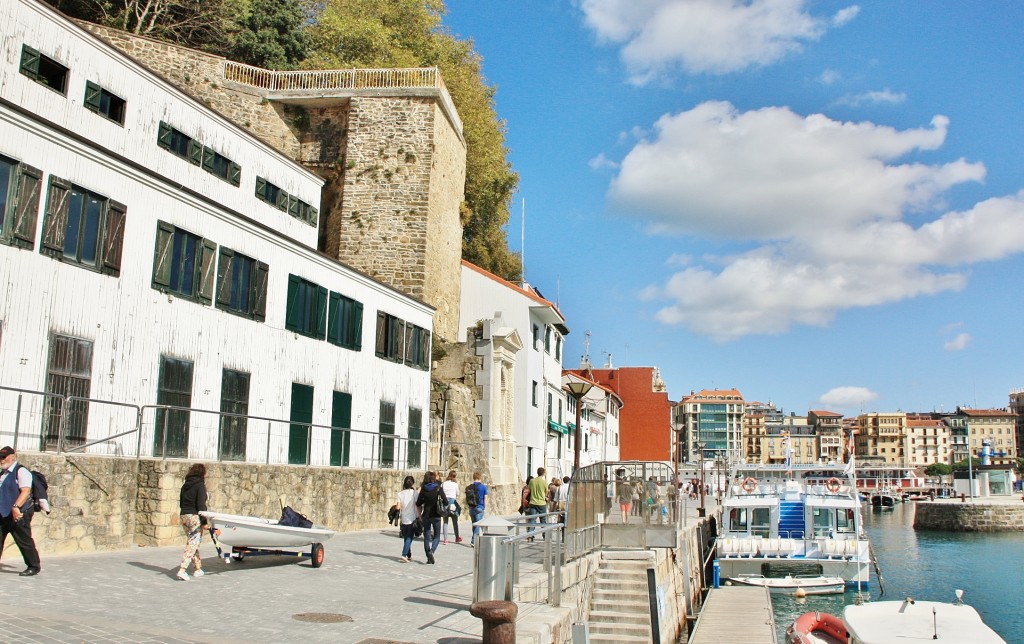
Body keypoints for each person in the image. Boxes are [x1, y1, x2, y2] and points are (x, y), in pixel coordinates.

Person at [0, 446, 41, 576]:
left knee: (23, 540)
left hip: (19, 513)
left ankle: (33, 566)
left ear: (12, 457)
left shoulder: (21, 471)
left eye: (3, 457)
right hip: (3, 513)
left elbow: (26, 491)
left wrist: (16, 507)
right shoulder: (3, 473)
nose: (1, 460)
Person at [177, 463, 208, 581]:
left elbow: (181, 502)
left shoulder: (185, 485)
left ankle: (198, 569)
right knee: (193, 542)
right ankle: (182, 569)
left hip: (184, 515)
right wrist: (204, 522)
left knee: (193, 542)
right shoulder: (200, 485)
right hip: (194, 516)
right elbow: (201, 505)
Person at [415, 470, 446, 564]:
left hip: (426, 515)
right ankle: (431, 551)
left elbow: (418, 503)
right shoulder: (438, 489)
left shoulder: (423, 489)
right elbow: (445, 502)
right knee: (436, 536)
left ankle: (428, 557)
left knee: (427, 537)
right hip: (436, 515)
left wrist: (419, 515)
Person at [395, 475, 419, 562]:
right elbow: (417, 506)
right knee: (409, 537)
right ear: (412, 483)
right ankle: (404, 554)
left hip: (404, 518)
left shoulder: (400, 494)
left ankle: (408, 554)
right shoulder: (415, 494)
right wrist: (419, 516)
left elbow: (398, 507)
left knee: (406, 537)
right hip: (412, 518)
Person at [441, 470, 462, 544]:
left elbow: (441, 492)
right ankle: (457, 537)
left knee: (445, 522)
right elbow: (458, 493)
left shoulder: (444, 483)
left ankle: (445, 539)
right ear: (454, 476)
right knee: (455, 521)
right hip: (452, 503)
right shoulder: (455, 484)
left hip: (445, 502)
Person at [526, 467, 549, 536]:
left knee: (532, 519)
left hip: (533, 502)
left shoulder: (532, 481)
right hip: (542, 503)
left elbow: (529, 489)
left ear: (537, 472)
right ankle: (544, 535)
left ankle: (530, 534)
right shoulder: (544, 482)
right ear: (543, 473)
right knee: (543, 520)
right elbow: (546, 492)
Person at [467, 471, 488, 546]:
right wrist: (484, 507)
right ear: (480, 477)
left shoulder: (469, 486)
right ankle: (473, 541)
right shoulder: (483, 487)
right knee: (478, 525)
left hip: (471, 507)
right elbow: (485, 498)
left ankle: (474, 539)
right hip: (479, 507)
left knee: (474, 524)